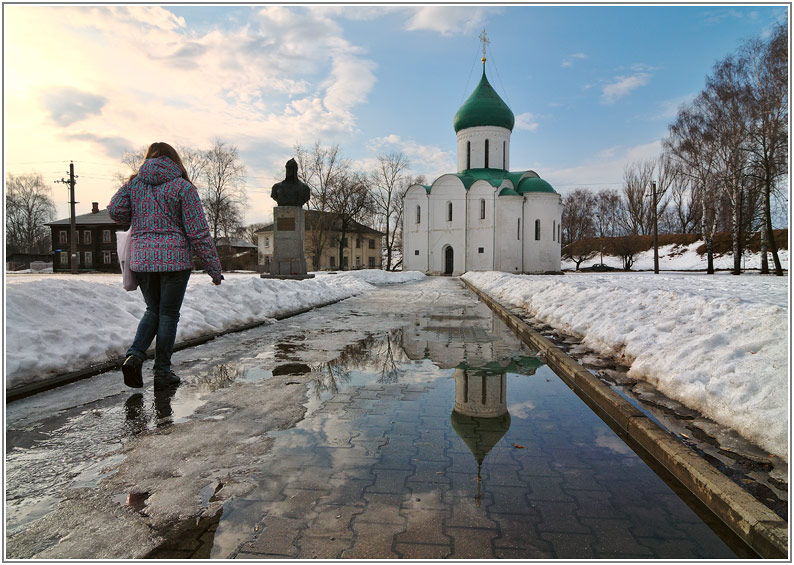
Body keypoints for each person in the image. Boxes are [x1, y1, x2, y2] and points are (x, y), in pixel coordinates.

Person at [108, 142, 223, 389]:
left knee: (153, 310)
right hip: (175, 260)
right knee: (168, 314)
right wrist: (213, 268)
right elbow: (198, 232)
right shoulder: (183, 187)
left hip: (143, 260)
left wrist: (132, 197)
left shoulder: (134, 185)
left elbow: (115, 211)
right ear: (175, 160)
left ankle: (135, 356)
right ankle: (162, 372)